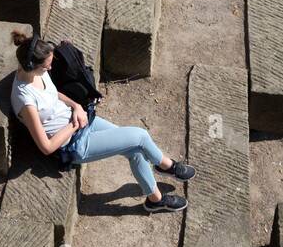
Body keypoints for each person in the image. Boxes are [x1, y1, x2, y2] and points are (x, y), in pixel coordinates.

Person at [11, 32, 195, 213]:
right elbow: (46, 146)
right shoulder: (25, 99)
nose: (50, 69)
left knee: (136, 150)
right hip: (74, 143)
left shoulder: (35, 73)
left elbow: (52, 94)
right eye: (46, 66)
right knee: (141, 136)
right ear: (31, 66)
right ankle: (166, 165)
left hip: (82, 120)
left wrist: (76, 106)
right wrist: (75, 124)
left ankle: (155, 200)